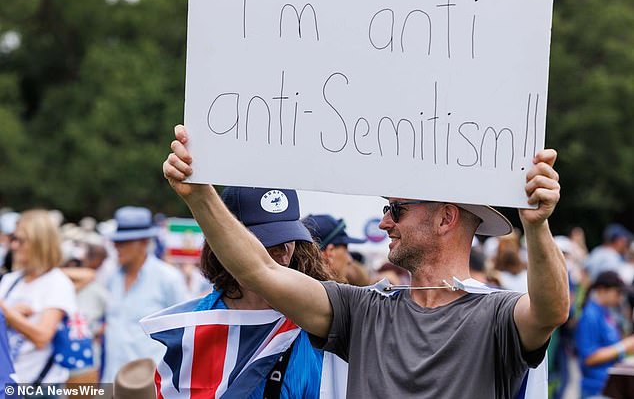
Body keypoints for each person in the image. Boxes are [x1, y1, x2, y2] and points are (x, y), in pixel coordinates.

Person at [163, 125, 569, 398]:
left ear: (446, 218)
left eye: (397, 208)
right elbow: (261, 271)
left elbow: (552, 309)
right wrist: (199, 196)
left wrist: (536, 226)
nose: (384, 221)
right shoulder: (363, 309)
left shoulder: (496, 315)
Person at [182, 186, 338, 398]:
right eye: (269, 241)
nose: (283, 252)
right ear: (226, 242)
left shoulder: (320, 317)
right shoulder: (198, 329)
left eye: (288, 237)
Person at [101, 206, 187, 382]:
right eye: (116, 241)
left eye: (123, 242)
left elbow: (185, 333)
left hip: (149, 384)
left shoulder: (168, 278)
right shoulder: (112, 277)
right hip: (113, 380)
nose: (116, 246)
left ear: (144, 242)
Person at [0, 209, 77, 385]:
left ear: (39, 243)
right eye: (13, 239)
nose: (14, 246)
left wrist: (7, 313)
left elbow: (42, 337)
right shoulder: (11, 279)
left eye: (20, 240)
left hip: (39, 387)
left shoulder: (57, 283)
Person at [574, 270, 634, 398]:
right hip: (596, 389)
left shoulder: (605, 311)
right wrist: (623, 346)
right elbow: (589, 358)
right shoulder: (590, 315)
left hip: (609, 387)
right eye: (618, 292)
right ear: (602, 290)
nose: (620, 297)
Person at [303, 214, 365, 282]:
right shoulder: (327, 292)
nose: (349, 260)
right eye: (345, 251)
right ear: (330, 252)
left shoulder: (294, 287)